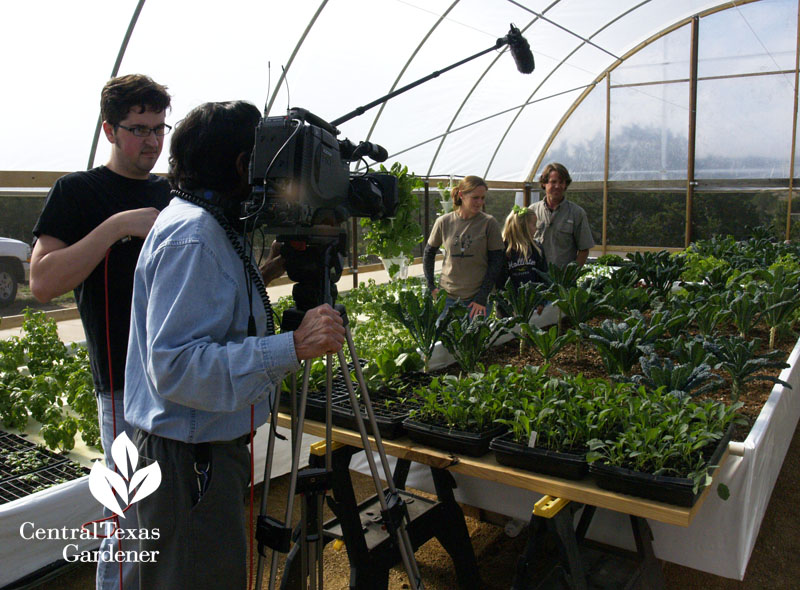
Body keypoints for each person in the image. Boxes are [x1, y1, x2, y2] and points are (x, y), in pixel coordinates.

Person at [124, 100, 345, 589]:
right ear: (244, 164)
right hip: (187, 460)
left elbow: (212, 310)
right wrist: (293, 346)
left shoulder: (202, 222)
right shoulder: (195, 236)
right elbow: (176, 366)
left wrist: (271, 264)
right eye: (266, 160)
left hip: (194, 453)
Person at [30, 73, 172, 590]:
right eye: (139, 129)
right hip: (121, 388)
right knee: (128, 522)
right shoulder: (79, 191)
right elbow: (43, 281)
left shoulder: (174, 192)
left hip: (181, 378)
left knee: (172, 514)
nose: (152, 141)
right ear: (109, 130)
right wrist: (117, 227)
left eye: (160, 128)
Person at [423, 175, 504, 319]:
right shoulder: (444, 222)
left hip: (477, 299)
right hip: (448, 296)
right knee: (445, 338)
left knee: (474, 340)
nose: (479, 202)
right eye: (475, 198)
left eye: (482, 198)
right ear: (461, 195)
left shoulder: (488, 223)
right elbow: (429, 253)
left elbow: (496, 261)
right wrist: (431, 286)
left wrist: (482, 297)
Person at [529, 162, 595, 267]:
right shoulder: (532, 211)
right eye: (553, 182)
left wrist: (571, 275)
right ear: (544, 183)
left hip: (562, 280)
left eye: (561, 182)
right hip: (536, 279)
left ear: (566, 185)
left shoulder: (576, 213)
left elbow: (584, 250)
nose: (557, 186)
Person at [496, 204, 548, 292]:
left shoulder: (536, 248)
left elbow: (544, 276)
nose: (536, 229)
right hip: (510, 302)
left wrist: (541, 301)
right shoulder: (503, 249)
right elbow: (499, 279)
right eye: (534, 225)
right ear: (524, 227)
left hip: (533, 301)